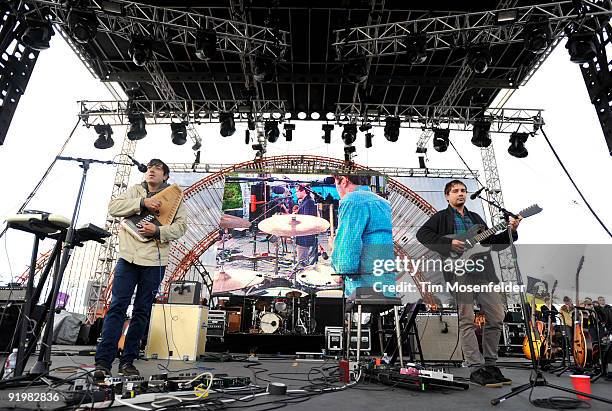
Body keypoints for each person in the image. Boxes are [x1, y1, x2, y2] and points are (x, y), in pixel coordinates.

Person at [416, 179, 520, 388]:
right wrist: (449, 242)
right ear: (447, 196)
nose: (460, 194)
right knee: (467, 319)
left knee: (497, 316)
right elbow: (422, 234)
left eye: (463, 190)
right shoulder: (441, 218)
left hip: (484, 273)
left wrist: (511, 231)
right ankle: (476, 367)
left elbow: (492, 244)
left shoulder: (476, 219)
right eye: (455, 191)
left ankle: (490, 364)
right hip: (460, 273)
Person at [94, 159, 187, 379]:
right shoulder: (135, 191)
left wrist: (157, 231)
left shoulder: (175, 198)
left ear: (165, 176)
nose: (151, 171)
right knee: (117, 307)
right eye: (149, 168)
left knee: (142, 311)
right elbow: (113, 207)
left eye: (157, 169)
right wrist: (143, 203)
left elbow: (181, 227)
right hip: (128, 258)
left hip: (155, 262)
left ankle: (128, 361)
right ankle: (103, 361)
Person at [330, 174, 395, 297]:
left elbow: (346, 263)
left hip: (365, 290)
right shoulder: (384, 203)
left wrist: (335, 248)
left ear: (344, 181)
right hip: (388, 286)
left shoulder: (351, 200)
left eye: (335, 182)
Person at [295, 184, 318, 265]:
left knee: (302, 262)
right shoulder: (305, 202)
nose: (296, 193)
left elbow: (307, 220)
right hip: (302, 236)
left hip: (305, 237)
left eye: (297, 191)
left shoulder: (309, 202)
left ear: (304, 191)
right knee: (302, 260)